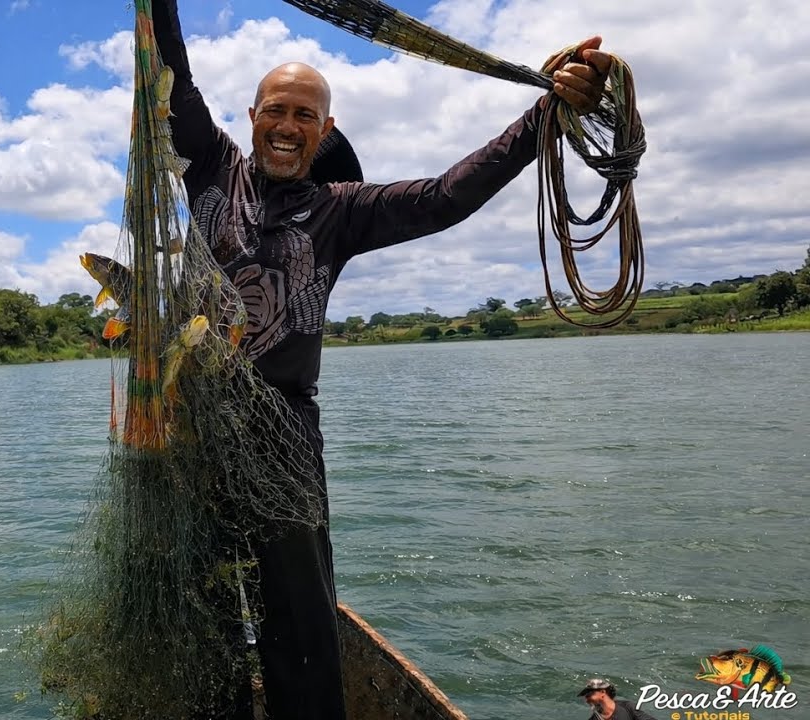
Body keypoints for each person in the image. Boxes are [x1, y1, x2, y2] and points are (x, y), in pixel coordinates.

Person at [146, 1, 612, 717]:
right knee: (197, 604)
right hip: (194, 421)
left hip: (284, 435)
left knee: (301, 623)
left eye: (306, 116)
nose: (288, 126)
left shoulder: (343, 208)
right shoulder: (209, 167)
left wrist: (540, 117)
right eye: (277, 109)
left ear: (324, 131)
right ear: (251, 115)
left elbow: (446, 196)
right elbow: (169, 72)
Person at [579, 679, 660, 720]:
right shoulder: (595, 718)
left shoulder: (628, 708)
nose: (587, 699)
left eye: (589, 695)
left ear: (603, 692)